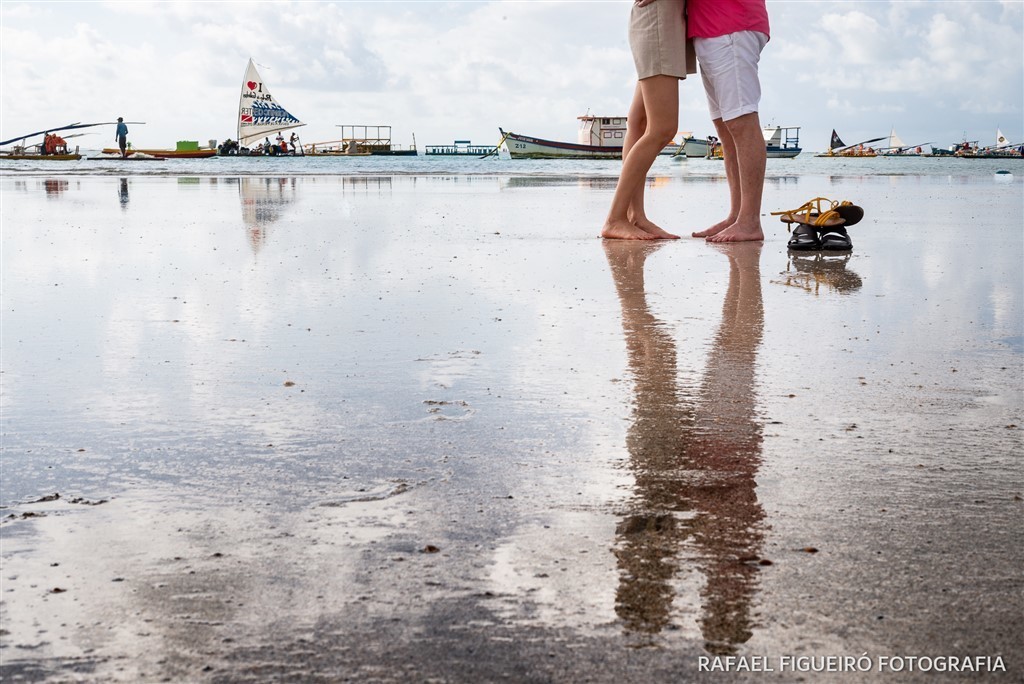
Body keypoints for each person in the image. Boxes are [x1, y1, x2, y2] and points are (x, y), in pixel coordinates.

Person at [601, 0, 696, 240]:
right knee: (662, 129)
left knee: (640, 123)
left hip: (665, 19)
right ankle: (615, 218)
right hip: (659, 19)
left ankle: (636, 216)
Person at [688, 0, 770, 243]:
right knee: (725, 127)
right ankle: (737, 215)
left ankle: (750, 221)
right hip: (712, 27)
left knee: (741, 122)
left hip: (731, 24)